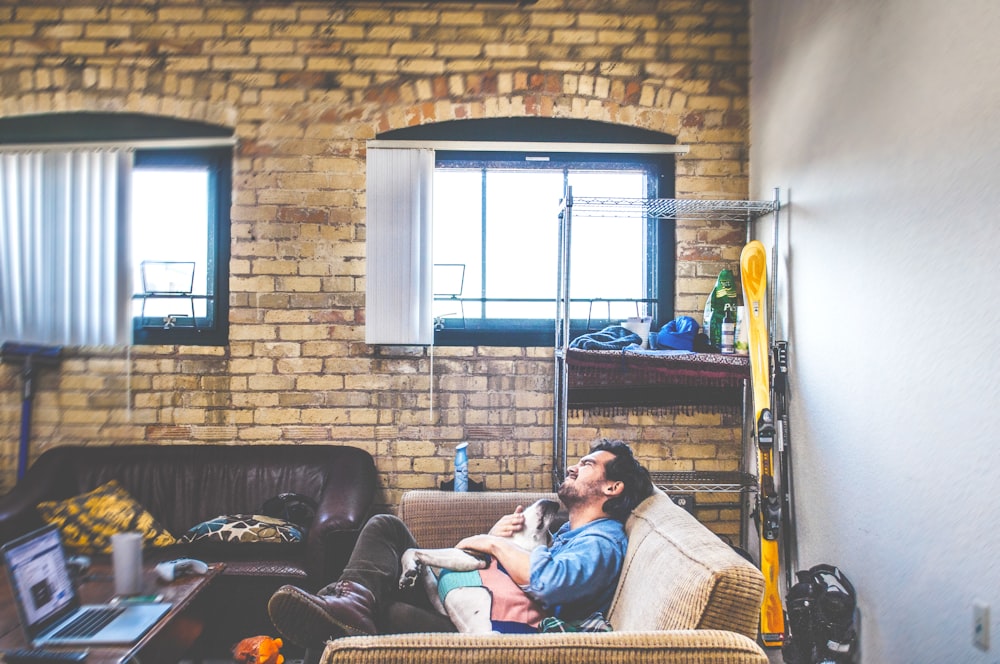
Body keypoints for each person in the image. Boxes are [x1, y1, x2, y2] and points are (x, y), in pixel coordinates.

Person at [267, 439, 653, 649]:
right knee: (387, 527)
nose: (573, 466)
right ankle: (349, 602)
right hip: (474, 601)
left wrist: (496, 545)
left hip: (489, 630)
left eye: (586, 464)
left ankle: (342, 615)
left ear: (612, 487)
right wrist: (498, 537)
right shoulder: (571, 532)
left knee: (388, 612)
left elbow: (552, 582)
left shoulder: (603, 540)